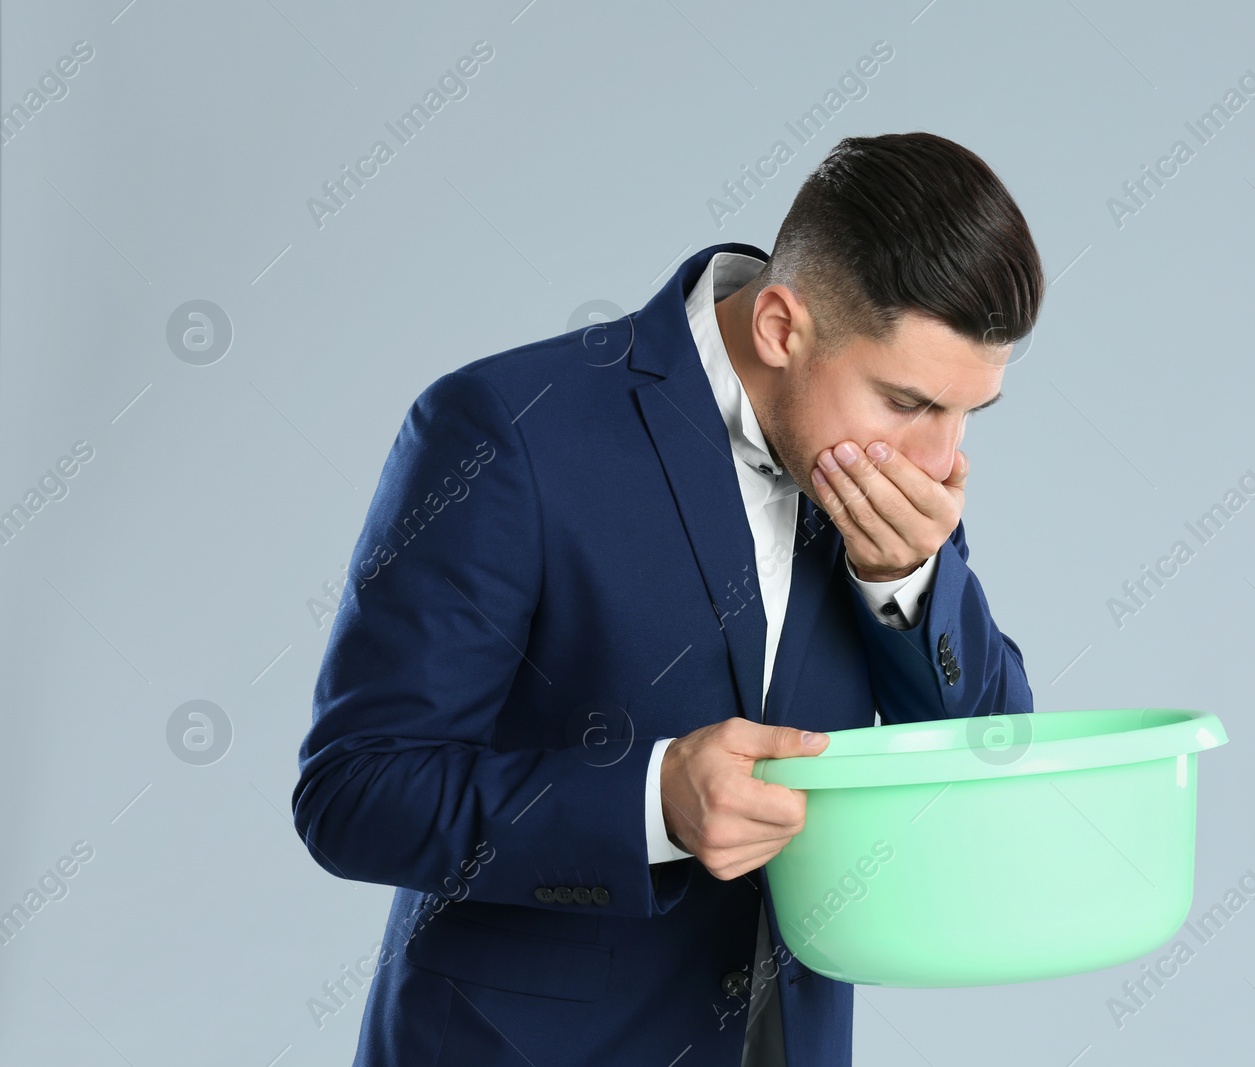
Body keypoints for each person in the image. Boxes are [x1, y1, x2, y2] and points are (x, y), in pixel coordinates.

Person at [292, 130, 1043, 1067]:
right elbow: (354, 792)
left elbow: (995, 769)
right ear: (780, 327)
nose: (944, 459)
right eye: (909, 403)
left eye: (971, 412)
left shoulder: (894, 489)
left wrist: (909, 581)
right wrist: (651, 804)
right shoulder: (508, 430)